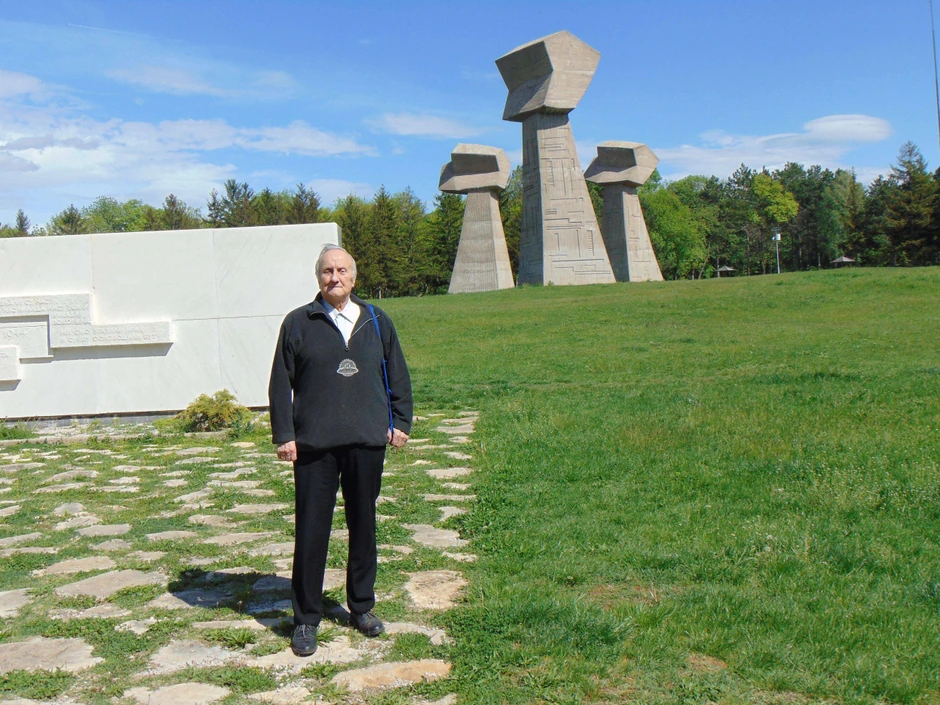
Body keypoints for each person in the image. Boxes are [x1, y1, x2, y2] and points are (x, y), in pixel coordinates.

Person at [268, 244, 412, 657]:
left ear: (354, 277)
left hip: (367, 441)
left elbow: (397, 373)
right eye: (328, 271)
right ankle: (306, 619)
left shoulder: (377, 320)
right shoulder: (299, 322)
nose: (335, 277)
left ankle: (361, 607)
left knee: (363, 526)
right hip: (314, 446)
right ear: (319, 277)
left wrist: (400, 422)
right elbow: (280, 382)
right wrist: (284, 434)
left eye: (342, 270)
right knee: (312, 532)